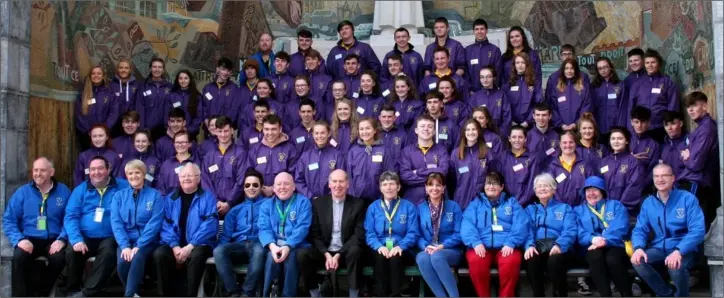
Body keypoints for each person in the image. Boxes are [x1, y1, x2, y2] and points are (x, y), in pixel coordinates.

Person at [631, 164, 706, 297]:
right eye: (656, 176)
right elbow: (639, 229)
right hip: (659, 247)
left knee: (675, 266)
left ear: (673, 178)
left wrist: (679, 250)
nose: (660, 179)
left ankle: (682, 295)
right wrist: (638, 247)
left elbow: (698, 230)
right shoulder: (649, 202)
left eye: (664, 175)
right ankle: (665, 294)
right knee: (637, 260)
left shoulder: (687, 199)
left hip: (685, 249)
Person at [3, 157, 71, 297]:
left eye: (42, 170)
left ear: (51, 172)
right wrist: (19, 240)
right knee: (19, 257)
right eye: (35, 170)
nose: (38, 174)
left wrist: (62, 239)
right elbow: (9, 220)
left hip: (53, 239)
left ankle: (41, 293)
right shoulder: (22, 192)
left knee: (59, 259)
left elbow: (70, 219)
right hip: (28, 238)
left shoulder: (64, 192)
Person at [64, 156, 130, 297]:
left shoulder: (123, 186)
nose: (96, 172)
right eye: (93, 169)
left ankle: (87, 293)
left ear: (108, 169)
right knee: (71, 252)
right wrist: (76, 240)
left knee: (108, 254)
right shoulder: (80, 190)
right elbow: (71, 216)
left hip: (110, 235)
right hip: (85, 236)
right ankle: (73, 290)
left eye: (100, 168)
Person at [297, 169, 366, 297]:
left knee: (356, 251)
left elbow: (358, 235)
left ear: (348, 184)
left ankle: (353, 294)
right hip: (324, 252)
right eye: (334, 181)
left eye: (341, 181)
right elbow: (314, 234)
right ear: (329, 184)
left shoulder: (358, 204)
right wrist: (327, 254)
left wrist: (339, 254)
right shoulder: (318, 203)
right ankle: (314, 293)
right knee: (302, 254)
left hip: (346, 252)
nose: (337, 185)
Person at [154, 162, 218, 297]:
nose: (186, 178)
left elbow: (210, 225)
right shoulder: (170, 199)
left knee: (197, 255)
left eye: (190, 175)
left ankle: (191, 295)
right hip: (175, 244)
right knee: (160, 254)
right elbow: (165, 225)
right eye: (183, 176)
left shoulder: (208, 198)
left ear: (198, 178)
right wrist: (175, 246)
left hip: (200, 244)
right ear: (179, 178)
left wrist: (190, 246)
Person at [462, 171, 529, 297]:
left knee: (511, 262)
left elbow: (521, 224)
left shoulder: (512, 203)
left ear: (502, 187)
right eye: (488, 183)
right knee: (476, 262)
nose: (491, 186)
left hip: (506, 246)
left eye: (495, 183)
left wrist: (511, 242)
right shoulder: (476, 204)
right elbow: (467, 225)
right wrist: (475, 242)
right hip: (481, 246)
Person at [110, 159, 164, 297]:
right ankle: (135, 293)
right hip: (126, 241)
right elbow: (116, 223)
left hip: (147, 241)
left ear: (144, 174)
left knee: (137, 257)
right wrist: (125, 245)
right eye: (130, 173)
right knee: (122, 263)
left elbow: (154, 223)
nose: (134, 176)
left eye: (137, 172)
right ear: (126, 176)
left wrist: (139, 245)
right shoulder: (119, 196)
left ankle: (129, 295)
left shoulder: (155, 195)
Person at [574, 176, 633, 297]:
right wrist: (592, 239)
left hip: (614, 244)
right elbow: (576, 230)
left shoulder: (616, 205)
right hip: (590, 247)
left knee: (613, 260)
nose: (591, 193)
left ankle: (627, 294)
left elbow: (620, 226)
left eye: (595, 189)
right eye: (588, 190)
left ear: (602, 191)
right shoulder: (577, 210)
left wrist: (605, 240)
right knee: (595, 257)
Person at [213, 169, 268, 297]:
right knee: (218, 251)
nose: (251, 188)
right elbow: (225, 235)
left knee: (259, 250)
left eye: (255, 185)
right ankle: (233, 292)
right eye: (247, 185)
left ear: (261, 187)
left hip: (259, 244)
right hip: (239, 246)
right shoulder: (235, 210)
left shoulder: (268, 205)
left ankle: (247, 293)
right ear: (243, 188)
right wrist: (222, 248)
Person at [364, 171, 419, 297]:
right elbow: (369, 233)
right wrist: (379, 246)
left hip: (401, 248)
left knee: (395, 258)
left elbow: (413, 232)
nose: (388, 187)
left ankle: (396, 294)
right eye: (384, 184)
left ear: (398, 187)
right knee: (379, 257)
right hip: (379, 247)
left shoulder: (409, 207)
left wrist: (401, 246)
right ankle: (380, 294)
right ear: (380, 188)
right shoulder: (373, 207)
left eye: (392, 184)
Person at [258, 172, 312, 297]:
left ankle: (288, 295)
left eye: (286, 184)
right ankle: (268, 294)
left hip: (297, 245)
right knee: (271, 258)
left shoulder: (303, 202)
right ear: (274, 188)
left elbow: (302, 227)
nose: (282, 187)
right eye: (279, 184)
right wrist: (272, 246)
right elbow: (263, 228)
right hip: (274, 245)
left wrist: (288, 246)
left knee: (291, 257)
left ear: (293, 187)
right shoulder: (266, 205)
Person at [524, 173, 577, 297]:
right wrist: (529, 245)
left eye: (546, 186)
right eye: (539, 186)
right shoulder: (530, 210)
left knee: (555, 261)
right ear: (535, 191)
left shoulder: (565, 208)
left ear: (553, 189)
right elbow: (527, 231)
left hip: (559, 248)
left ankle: (559, 294)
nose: (542, 188)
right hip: (538, 246)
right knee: (531, 259)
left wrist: (559, 245)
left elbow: (570, 230)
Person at [415, 173, 463, 297]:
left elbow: (459, 234)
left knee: (437, 257)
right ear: (426, 188)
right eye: (430, 185)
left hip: (450, 250)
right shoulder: (420, 208)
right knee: (421, 258)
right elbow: (417, 234)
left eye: (438, 185)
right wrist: (426, 246)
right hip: (429, 248)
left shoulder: (453, 206)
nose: (434, 188)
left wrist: (442, 246)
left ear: (443, 188)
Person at [680, 92, 720, 228]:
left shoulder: (707, 129)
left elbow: (695, 163)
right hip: (693, 180)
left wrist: (685, 156)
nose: (690, 110)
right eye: (688, 106)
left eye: (694, 105)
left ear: (705, 106)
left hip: (697, 181)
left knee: (690, 224)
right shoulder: (701, 127)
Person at [626, 49, 680, 142]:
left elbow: (673, 106)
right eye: (647, 63)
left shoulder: (667, 82)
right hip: (642, 129)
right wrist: (631, 130)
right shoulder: (637, 84)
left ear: (658, 64)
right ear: (644, 64)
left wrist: (670, 126)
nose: (650, 65)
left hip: (661, 128)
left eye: (653, 62)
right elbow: (631, 109)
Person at [200, 116, 248, 216]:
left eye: (226, 131)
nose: (223, 135)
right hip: (213, 206)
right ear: (215, 132)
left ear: (232, 131)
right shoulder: (209, 156)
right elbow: (205, 181)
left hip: (236, 205)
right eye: (220, 131)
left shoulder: (241, 153)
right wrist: (216, 201)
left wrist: (229, 202)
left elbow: (241, 180)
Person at [400, 115, 450, 205]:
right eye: (422, 126)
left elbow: (443, 171)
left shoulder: (442, 150)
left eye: (430, 126)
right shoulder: (407, 151)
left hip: (437, 200)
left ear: (434, 131)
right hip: (413, 200)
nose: (426, 129)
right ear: (416, 130)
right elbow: (405, 176)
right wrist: (433, 179)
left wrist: (417, 172)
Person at [346, 117, 398, 202]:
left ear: (374, 130)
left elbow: (390, 174)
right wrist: (352, 196)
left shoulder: (383, 150)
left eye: (368, 128)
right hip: (357, 198)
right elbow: (349, 176)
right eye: (361, 129)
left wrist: (385, 195)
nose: (364, 132)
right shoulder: (353, 151)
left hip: (378, 198)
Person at [247, 114, 299, 197]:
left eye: (273, 129)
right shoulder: (255, 150)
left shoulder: (290, 149)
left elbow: (293, 175)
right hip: (259, 196)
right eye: (266, 129)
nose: (270, 133)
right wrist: (260, 188)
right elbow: (250, 173)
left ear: (280, 129)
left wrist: (273, 189)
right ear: (262, 130)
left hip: (283, 195)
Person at [599, 127, 646, 216]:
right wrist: (604, 206)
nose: (616, 141)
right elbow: (600, 185)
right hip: (605, 210)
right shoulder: (604, 162)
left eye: (620, 138)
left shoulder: (634, 162)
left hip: (626, 211)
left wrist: (619, 207)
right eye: (613, 138)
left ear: (627, 141)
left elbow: (634, 187)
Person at [451, 119, 497, 209]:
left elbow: (493, 177)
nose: (471, 132)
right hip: (461, 202)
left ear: (479, 131)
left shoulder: (487, 152)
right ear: (464, 132)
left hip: (482, 202)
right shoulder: (456, 154)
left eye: (474, 129)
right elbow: (451, 180)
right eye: (468, 130)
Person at [295, 121, 345, 200]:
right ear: (313, 135)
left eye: (322, 133)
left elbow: (342, 178)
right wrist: (310, 196)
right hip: (309, 200)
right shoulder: (305, 156)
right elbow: (298, 180)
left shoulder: (337, 155)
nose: (319, 136)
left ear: (328, 134)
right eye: (317, 133)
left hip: (330, 200)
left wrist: (328, 198)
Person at [75, 65, 120, 150]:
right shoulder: (83, 94)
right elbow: (79, 114)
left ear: (103, 76)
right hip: (87, 136)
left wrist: (103, 130)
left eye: (99, 73)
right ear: (90, 76)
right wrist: (89, 131)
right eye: (93, 73)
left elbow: (114, 113)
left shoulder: (110, 94)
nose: (96, 76)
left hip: (104, 135)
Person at [546, 131, 596, 206]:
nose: (568, 145)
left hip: (582, 210)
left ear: (575, 143)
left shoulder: (585, 165)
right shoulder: (552, 166)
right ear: (559, 144)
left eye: (571, 142)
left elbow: (592, 187)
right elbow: (550, 190)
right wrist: (562, 208)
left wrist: (583, 207)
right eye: (564, 142)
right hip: (560, 211)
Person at [500, 125, 540, 207]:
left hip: (527, 204)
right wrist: (506, 201)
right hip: (506, 204)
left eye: (520, 137)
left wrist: (520, 202)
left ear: (525, 139)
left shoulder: (532, 158)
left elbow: (532, 183)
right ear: (509, 139)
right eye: (514, 137)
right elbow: (499, 181)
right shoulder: (502, 157)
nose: (517, 140)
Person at [549, 58, 592, 131]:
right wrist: (560, 124)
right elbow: (553, 107)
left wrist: (576, 124)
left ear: (576, 70)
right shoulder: (557, 88)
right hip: (561, 129)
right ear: (563, 70)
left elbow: (586, 107)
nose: (569, 71)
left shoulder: (584, 87)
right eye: (566, 68)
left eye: (572, 68)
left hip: (579, 128)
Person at [504, 52, 543, 129]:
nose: (520, 65)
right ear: (514, 65)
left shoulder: (535, 83)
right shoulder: (508, 84)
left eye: (523, 62)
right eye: (517, 63)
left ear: (527, 65)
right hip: (512, 125)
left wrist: (528, 121)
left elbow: (538, 104)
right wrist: (511, 121)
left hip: (530, 125)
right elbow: (505, 106)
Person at [469, 66, 512, 136]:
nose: (485, 80)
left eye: (488, 77)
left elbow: (507, 118)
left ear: (494, 78)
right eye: (482, 77)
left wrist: (501, 134)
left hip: (498, 134)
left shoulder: (501, 95)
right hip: (479, 135)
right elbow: (470, 117)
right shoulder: (475, 97)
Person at [137, 58, 172, 140]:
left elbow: (173, 107)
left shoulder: (170, 87)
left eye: (159, 67)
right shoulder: (143, 86)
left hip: (165, 129)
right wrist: (142, 128)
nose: (157, 69)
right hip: (147, 129)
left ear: (163, 70)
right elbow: (140, 108)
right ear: (150, 69)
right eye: (154, 67)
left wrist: (170, 126)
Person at [591, 57, 626, 135]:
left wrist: (621, 126)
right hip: (598, 127)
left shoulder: (620, 85)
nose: (603, 70)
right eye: (600, 68)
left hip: (616, 126)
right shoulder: (594, 87)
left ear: (610, 67)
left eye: (605, 67)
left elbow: (623, 108)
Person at [155, 131, 198, 196]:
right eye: (177, 142)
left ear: (190, 144)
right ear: (174, 144)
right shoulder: (166, 165)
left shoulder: (197, 163)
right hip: (169, 204)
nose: (180, 145)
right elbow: (161, 188)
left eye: (183, 142)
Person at [465, 18, 503, 92]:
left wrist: (495, 87)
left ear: (486, 30)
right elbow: (466, 73)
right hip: (474, 93)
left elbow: (498, 71)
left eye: (482, 29)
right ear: (473, 31)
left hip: (492, 91)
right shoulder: (467, 50)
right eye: (477, 29)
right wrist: (469, 88)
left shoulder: (495, 50)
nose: (479, 32)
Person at [630, 106, 662, 187]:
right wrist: (630, 159)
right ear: (631, 122)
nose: (639, 125)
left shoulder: (654, 145)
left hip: (643, 187)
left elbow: (653, 170)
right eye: (636, 122)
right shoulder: (624, 140)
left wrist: (642, 186)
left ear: (649, 123)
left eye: (643, 122)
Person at [167, 69, 202, 137]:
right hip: (173, 133)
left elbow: (199, 117)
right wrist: (172, 130)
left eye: (186, 78)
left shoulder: (197, 97)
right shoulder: (171, 96)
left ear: (190, 80)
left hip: (190, 134)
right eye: (180, 78)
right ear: (177, 80)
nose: (183, 81)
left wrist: (189, 130)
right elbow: (167, 114)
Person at [378, 104, 408, 169]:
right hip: (378, 175)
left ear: (394, 118)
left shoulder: (403, 135)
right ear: (379, 118)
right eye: (384, 117)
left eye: (389, 117)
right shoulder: (374, 135)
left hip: (396, 175)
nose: (386, 119)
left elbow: (406, 158)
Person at [661, 111, 687, 178]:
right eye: (666, 125)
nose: (669, 128)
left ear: (681, 123)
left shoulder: (689, 142)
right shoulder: (664, 147)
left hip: (684, 186)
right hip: (668, 186)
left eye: (673, 124)